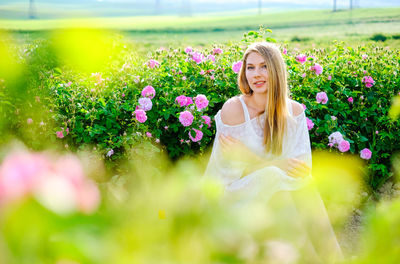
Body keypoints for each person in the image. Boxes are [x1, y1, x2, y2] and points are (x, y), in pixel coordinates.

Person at [204, 42, 343, 262]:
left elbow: (299, 170)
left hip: (277, 188)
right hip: (230, 194)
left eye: (263, 67)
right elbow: (226, 175)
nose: (256, 75)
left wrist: (255, 160)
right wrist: (275, 164)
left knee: (303, 185)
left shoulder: (294, 112)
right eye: (250, 67)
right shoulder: (234, 110)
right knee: (278, 179)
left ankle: (333, 258)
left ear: (276, 70)